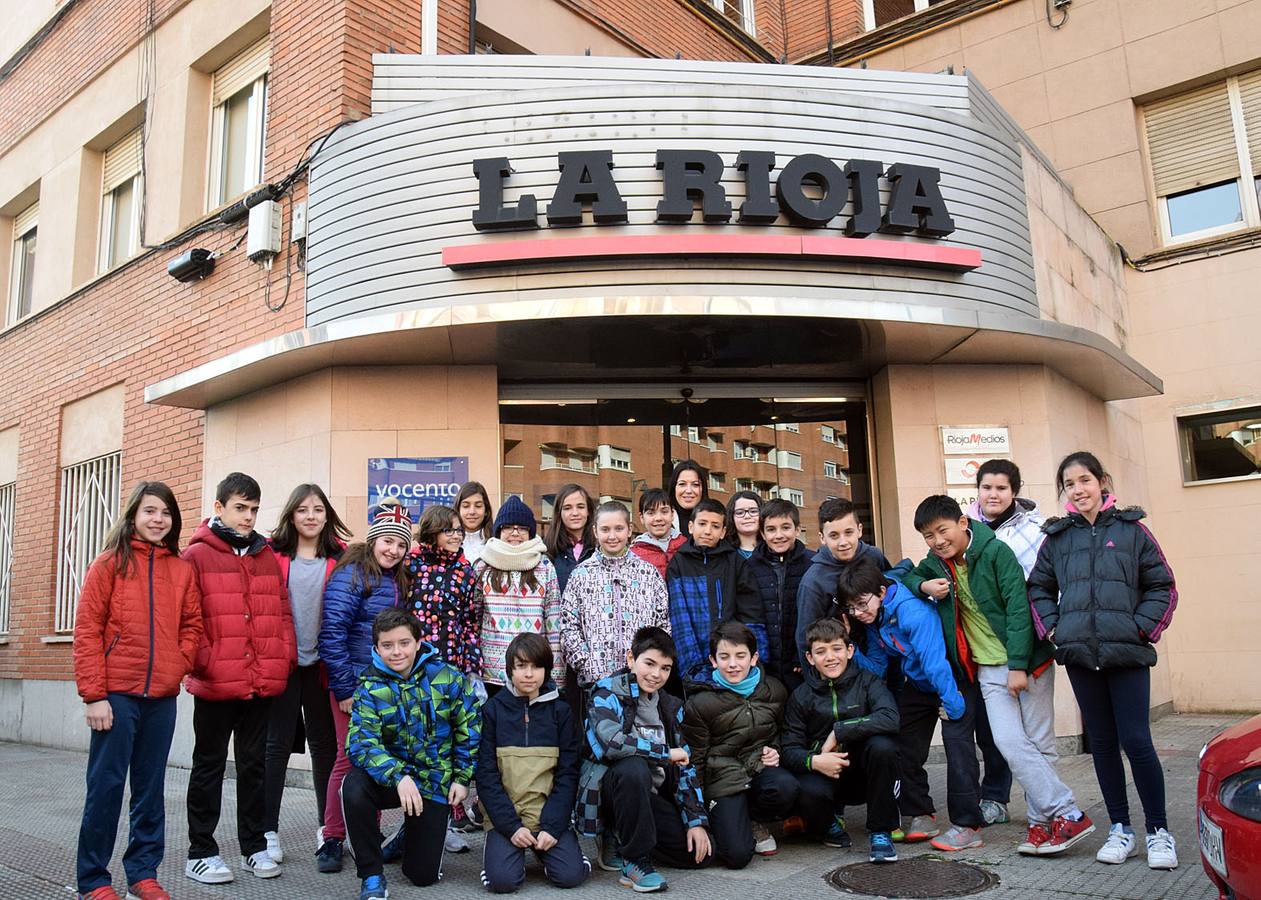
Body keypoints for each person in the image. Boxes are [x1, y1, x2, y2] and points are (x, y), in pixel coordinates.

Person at [905, 496, 1094, 855]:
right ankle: (1067, 812)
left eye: (941, 531)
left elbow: (1019, 611)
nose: (937, 541)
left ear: (962, 522)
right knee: (1009, 743)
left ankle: (1043, 823)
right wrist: (924, 586)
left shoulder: (996, 553)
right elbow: (910, 575)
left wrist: (1018, 666)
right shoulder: (937, 565)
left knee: (1039, 744)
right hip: (986, 668)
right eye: (928, 536)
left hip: (1026, 662)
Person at [1029, 451, 1178, 870]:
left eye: (1085, 481)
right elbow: (1038, 587)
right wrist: (1057, 630)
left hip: (1127, 655)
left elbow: (1162, 586)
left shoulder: (1132, 532)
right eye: (1070, 484)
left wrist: (1142, 628)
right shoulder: (1057, 538)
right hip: (1081, 657)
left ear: (1102, 482)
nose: (1078, 490)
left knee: (1137, 741)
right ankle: (1121, 829)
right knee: (1103, 745)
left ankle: (1158, 832)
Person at [73, 482, 203, 900]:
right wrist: (94, 695)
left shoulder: (181, 569)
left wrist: (178, 661)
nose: (157, 519)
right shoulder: (108, 564)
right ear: (133, 515)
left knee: (150, 791)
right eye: (149, 511)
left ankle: (143, 874)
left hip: (161, 698)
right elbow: (87, 630)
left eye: (165, 513)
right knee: (107, 788)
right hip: (116, 696)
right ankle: (93, 881)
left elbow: (193, 626)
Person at [182, 472, 295, 885]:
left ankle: (254, 847)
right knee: (208, 766)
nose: (248, 517)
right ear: (219, 508)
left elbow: (282, 615)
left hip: (260, 681)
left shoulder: (265, 555)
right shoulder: (196, 555)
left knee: (253, 767)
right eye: (240, 508)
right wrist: (205, 660)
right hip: (215, 682)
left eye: (253, 509)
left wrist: (280, 659)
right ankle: (201, 851)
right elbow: (187, 620)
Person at [343, 608, 481, 900]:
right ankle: (371, 875)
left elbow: (469, 728)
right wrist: (398, 776)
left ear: (419, 642)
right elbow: (360, 743)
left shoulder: (446, 678)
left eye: (404, 643)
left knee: (422, 877)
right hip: (392, 781)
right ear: (377, 648)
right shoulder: (369, 686)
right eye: (387, 645)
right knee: (353, 786)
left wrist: (461, 778)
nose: (396, 652)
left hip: (433, 780)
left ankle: (407, 836)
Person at [834, 556, 967, 848]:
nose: (857, 612)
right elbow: (878, 668)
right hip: (918, 686)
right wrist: (848, 647)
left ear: (881, 592)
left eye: (861, 604)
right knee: (902, 745)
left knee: (959, 749)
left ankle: (971, 818)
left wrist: (954, 704)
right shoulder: (875, 617)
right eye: (851, 607)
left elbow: (935, 663)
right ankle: (921, 814)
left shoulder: (911, 612)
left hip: (950, 682)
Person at [315, 501, 414, 873]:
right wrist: (343, 689)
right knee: (348, 759)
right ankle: (333, 837)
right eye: (388, 541)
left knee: (374, 759)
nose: (393, 550)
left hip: (385, 687)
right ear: (373, 540)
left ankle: (365, 836)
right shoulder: (353, 573)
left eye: (401, 545)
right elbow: (333, 633)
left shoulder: (397, 578)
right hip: (354, 685)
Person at [574, 627, 711, 893]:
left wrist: (696, 821)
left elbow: (685, 765)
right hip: (612, 789)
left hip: (650, 796)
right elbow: (611, 744)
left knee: (701, 854)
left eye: (665, 668)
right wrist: (664, 754)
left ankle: (627, 836)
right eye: (649, 663)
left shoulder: (669, 707)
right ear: (630, 659)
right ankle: (634, 860)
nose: (656, 674)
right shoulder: (605, 694)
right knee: (633, 766)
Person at [263, 483, 348, 867]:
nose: (310, 516)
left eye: (317, 509)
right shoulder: (273, 555)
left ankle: (325, 827)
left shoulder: (341, 558)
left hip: (323, 667)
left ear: (327, 515)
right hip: (283, 666)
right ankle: (267, 832)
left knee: (325, 749)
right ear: (291, 516)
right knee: (275, 747)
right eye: (302, 510)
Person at [476, 632, 590, 893]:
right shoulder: (492, 711)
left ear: (547, 670)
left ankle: (548, 851)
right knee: (502, 882)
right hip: (507, 817)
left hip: (547, 815)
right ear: (509, 670)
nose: (529, 674)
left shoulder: (561, 712)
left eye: (536, 666)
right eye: (521, 666)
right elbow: (486, 775)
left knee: (571, 876)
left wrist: (552, 826)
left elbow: (568, 774)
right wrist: (511, 827)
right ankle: (502, 849)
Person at [781, 618, 900, 864]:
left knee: (883, 747)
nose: (830, 657)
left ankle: (880, 831)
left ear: (850, 650)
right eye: (821, 651)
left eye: (836, 649)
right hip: (826, 777)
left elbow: (890, 718)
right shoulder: (801, 695)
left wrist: (840, 731)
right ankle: (829, 824)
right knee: (803, 788)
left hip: (861, 774)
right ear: (810, 658)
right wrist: (815, 761)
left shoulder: (868, 682)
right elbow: (789, 749)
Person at [403, 503, 485, 854]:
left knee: (450, 742)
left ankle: (449, 820)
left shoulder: (466, 570)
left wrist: (471, 667)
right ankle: (414, 824)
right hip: (417, 667)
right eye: (448, 529)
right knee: (420, 744)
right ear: (433, 531)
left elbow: (472, 620)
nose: (455, 534)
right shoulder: (412, 565)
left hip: (453, 668)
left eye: (458, 530)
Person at [681, 622, 797, 868]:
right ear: (713, 661)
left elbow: (783, 731)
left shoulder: (774, 690)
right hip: (722, 781)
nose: (732, 664)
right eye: (724, 657)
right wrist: (697, 815)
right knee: (736, 856)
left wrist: (775, 749)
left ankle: (754, 819)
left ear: (753, 658)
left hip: (758, 771)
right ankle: (727, 821)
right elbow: (695, 759)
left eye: (740, 656)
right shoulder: (700, 703)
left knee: (787, 787)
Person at [560, 501, 670, 690]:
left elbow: (663, 623)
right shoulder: (581, 575)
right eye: (605, 529)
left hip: (642, 682)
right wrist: (587, 665)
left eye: (619, 528)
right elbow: (568, 626)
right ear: (595, 532)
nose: (612, 536)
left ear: (629, 530)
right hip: (597, 682)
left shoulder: (648, 574)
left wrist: (652, 665)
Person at [665, 497, 767, 684]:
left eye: (715, 526)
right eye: (702, 524)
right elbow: (680, 621)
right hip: (695, 661)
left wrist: (755, 660)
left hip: (732, 660)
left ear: (723, 532)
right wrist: (692, 668)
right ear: (690, 527)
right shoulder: (678, 564)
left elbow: (751, 614)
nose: (707, 531)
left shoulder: (735, 562)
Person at [794, 498, 893, 679]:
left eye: (849, 532)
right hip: (840, 666)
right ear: (822, 538)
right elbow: (805, 636)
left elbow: (891, 593)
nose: (843, 542)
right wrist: (815, 683)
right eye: (834, 536)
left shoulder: (874, 556)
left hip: (884, 650)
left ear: (860, 530)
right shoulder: (813, 581)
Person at [477, 496, 564, 691]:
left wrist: (556, 676)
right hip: (493, 672)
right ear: (499, 530)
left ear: (530, 533)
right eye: (508, 527)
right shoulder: (483, 565)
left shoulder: (544, 566)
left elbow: (554, 622)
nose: (515, 533)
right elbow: (474, 619)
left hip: (532, 669)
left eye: (522, 528)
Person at [745, 499, 811, 693]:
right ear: (763, 534)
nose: (779, 535)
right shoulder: (749, 567)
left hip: (801, 663)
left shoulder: (812, 564)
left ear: (797, 530)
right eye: (771, 529)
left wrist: (803, 652)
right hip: (765, 665)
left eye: (786, 527)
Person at [968, 459, 1046, 579]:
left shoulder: (1037, 530)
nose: (993, 495)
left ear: (1014, 491)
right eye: (986, 487)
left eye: (1001, 488)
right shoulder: (964, 529)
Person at [544, 483, 596, 594]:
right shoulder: (547, 551)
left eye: (581, 507)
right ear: (559, 513)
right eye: (567, 508)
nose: (575, 513)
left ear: (589, 511)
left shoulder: (600, 548)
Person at [629, 488, 687, 578]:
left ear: (672, 514)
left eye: (664, 512)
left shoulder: (686, 546)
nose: (658, 518)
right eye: (651, 513)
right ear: (641, 517)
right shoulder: (634, 554)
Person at [455, 481, 494, 567]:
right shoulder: (448, 542)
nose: (472, 512)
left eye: (478, 506)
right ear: (458, 510)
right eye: (466, 506)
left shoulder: (496, 542)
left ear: (486, 511)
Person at [666, 460, 708, 534]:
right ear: (674, 488)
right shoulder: (662, 521)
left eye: (695, 485)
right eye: (682, 484)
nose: (688, 491)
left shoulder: (715, 520)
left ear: (703, 489)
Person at [725, 490, 762, 558]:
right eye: (740, 513)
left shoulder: (773, 550)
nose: (747, 516)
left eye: (753, 511)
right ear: (731, 517)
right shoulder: (723, 552)